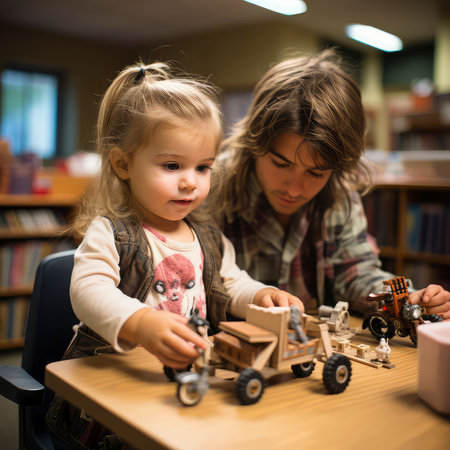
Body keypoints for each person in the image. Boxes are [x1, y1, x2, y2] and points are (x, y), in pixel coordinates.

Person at [46, 61, 303, 449]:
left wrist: (259, 296)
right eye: (172, 165)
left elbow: (232, 281)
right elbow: (88, 291)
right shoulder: (112, 233)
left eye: (203, 167)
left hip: (179, 382)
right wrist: (141, 323)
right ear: (123, 164)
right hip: (114, 392)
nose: (190, 182)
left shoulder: (207, 235)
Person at [211, 49, 450, 319]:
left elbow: (357, 274)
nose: (294, 189)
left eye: (316, 173)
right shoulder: (208, 186)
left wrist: (406, 300)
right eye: (281, 164)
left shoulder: (338, 193)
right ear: (254, 143)